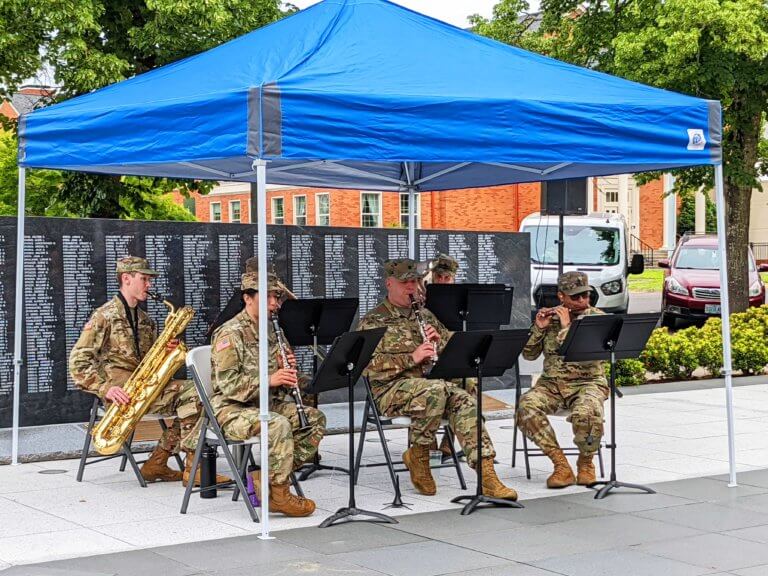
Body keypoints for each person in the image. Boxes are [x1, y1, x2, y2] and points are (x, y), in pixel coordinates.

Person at [358, 258, 518, 500]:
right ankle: (420, 455)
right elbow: (365, 367)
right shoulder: (373, 321)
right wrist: (411, 358)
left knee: (465, 400)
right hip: (391, 391)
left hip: (432, 386)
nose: (411, 287)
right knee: (436, 390)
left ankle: (487, 474)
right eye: (405, 283)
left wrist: (440, 343)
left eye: (415, 282)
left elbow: (454, 348)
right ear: (389, 283)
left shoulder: (424, 315)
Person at [69, 256, 228, 487]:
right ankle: (192, 468)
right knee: (195, 397)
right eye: (144, 279)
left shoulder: (145, 320)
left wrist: (166, 351)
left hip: (146, 388)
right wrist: (105, 388)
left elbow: (149, 360)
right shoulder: (103, 316)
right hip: (123, 395)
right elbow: (78, 362)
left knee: (201, 394)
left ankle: (159, 463)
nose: (149, 284)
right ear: (126, 278)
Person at [207, 271, 325, 516]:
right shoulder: (230, 333)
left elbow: (282, 378)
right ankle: (279, 494)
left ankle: (267, 478)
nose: (275, 303)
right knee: (277, 424)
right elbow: (228, 385)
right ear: (248, 298)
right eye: (268, 297)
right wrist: (270, 379)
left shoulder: (273, 330)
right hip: (232, 409)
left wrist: (288, 371)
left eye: (277, 297)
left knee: (314, 420)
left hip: (266, 402)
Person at [516, 271, 608, 488]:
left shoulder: (596, 318)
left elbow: (585, 352)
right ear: (561, 296)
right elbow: (529, 354)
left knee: (587, 412)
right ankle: (560, 464)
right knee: (526, 406)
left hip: (588, 382)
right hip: (551, 385)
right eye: (575, 297)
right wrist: (539, 328)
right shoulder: (551, 319)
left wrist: (567, 327)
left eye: (586, 295)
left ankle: (586, 463)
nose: (582, 300)